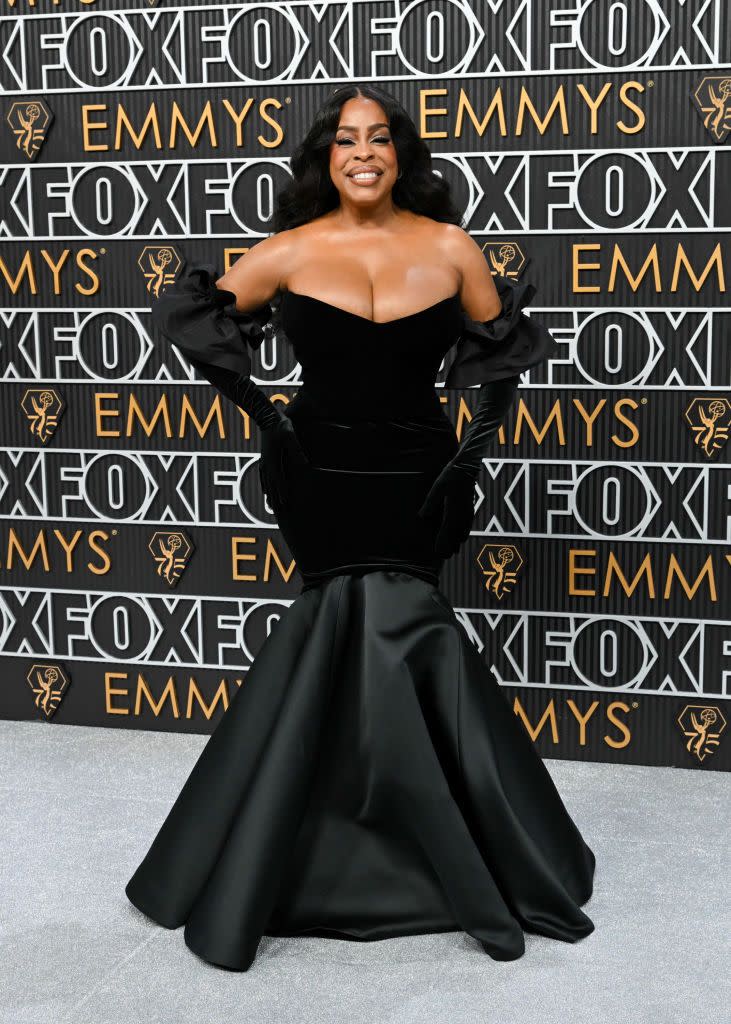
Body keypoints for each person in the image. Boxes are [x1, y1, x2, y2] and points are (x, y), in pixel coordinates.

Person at [125, 84, 596, 971]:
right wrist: (271, 424)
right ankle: (322, 846)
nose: (364, 153)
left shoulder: (452, 248)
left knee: (401, 632)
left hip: (416, 477)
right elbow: (196, 319)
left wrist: (471, 456)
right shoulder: (289, 250)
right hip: (323, 482)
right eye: (346, 140)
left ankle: (425, 838)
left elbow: (500, 357)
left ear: (401, 155)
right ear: (325, 159)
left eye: (379, 138)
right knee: (345, 629)